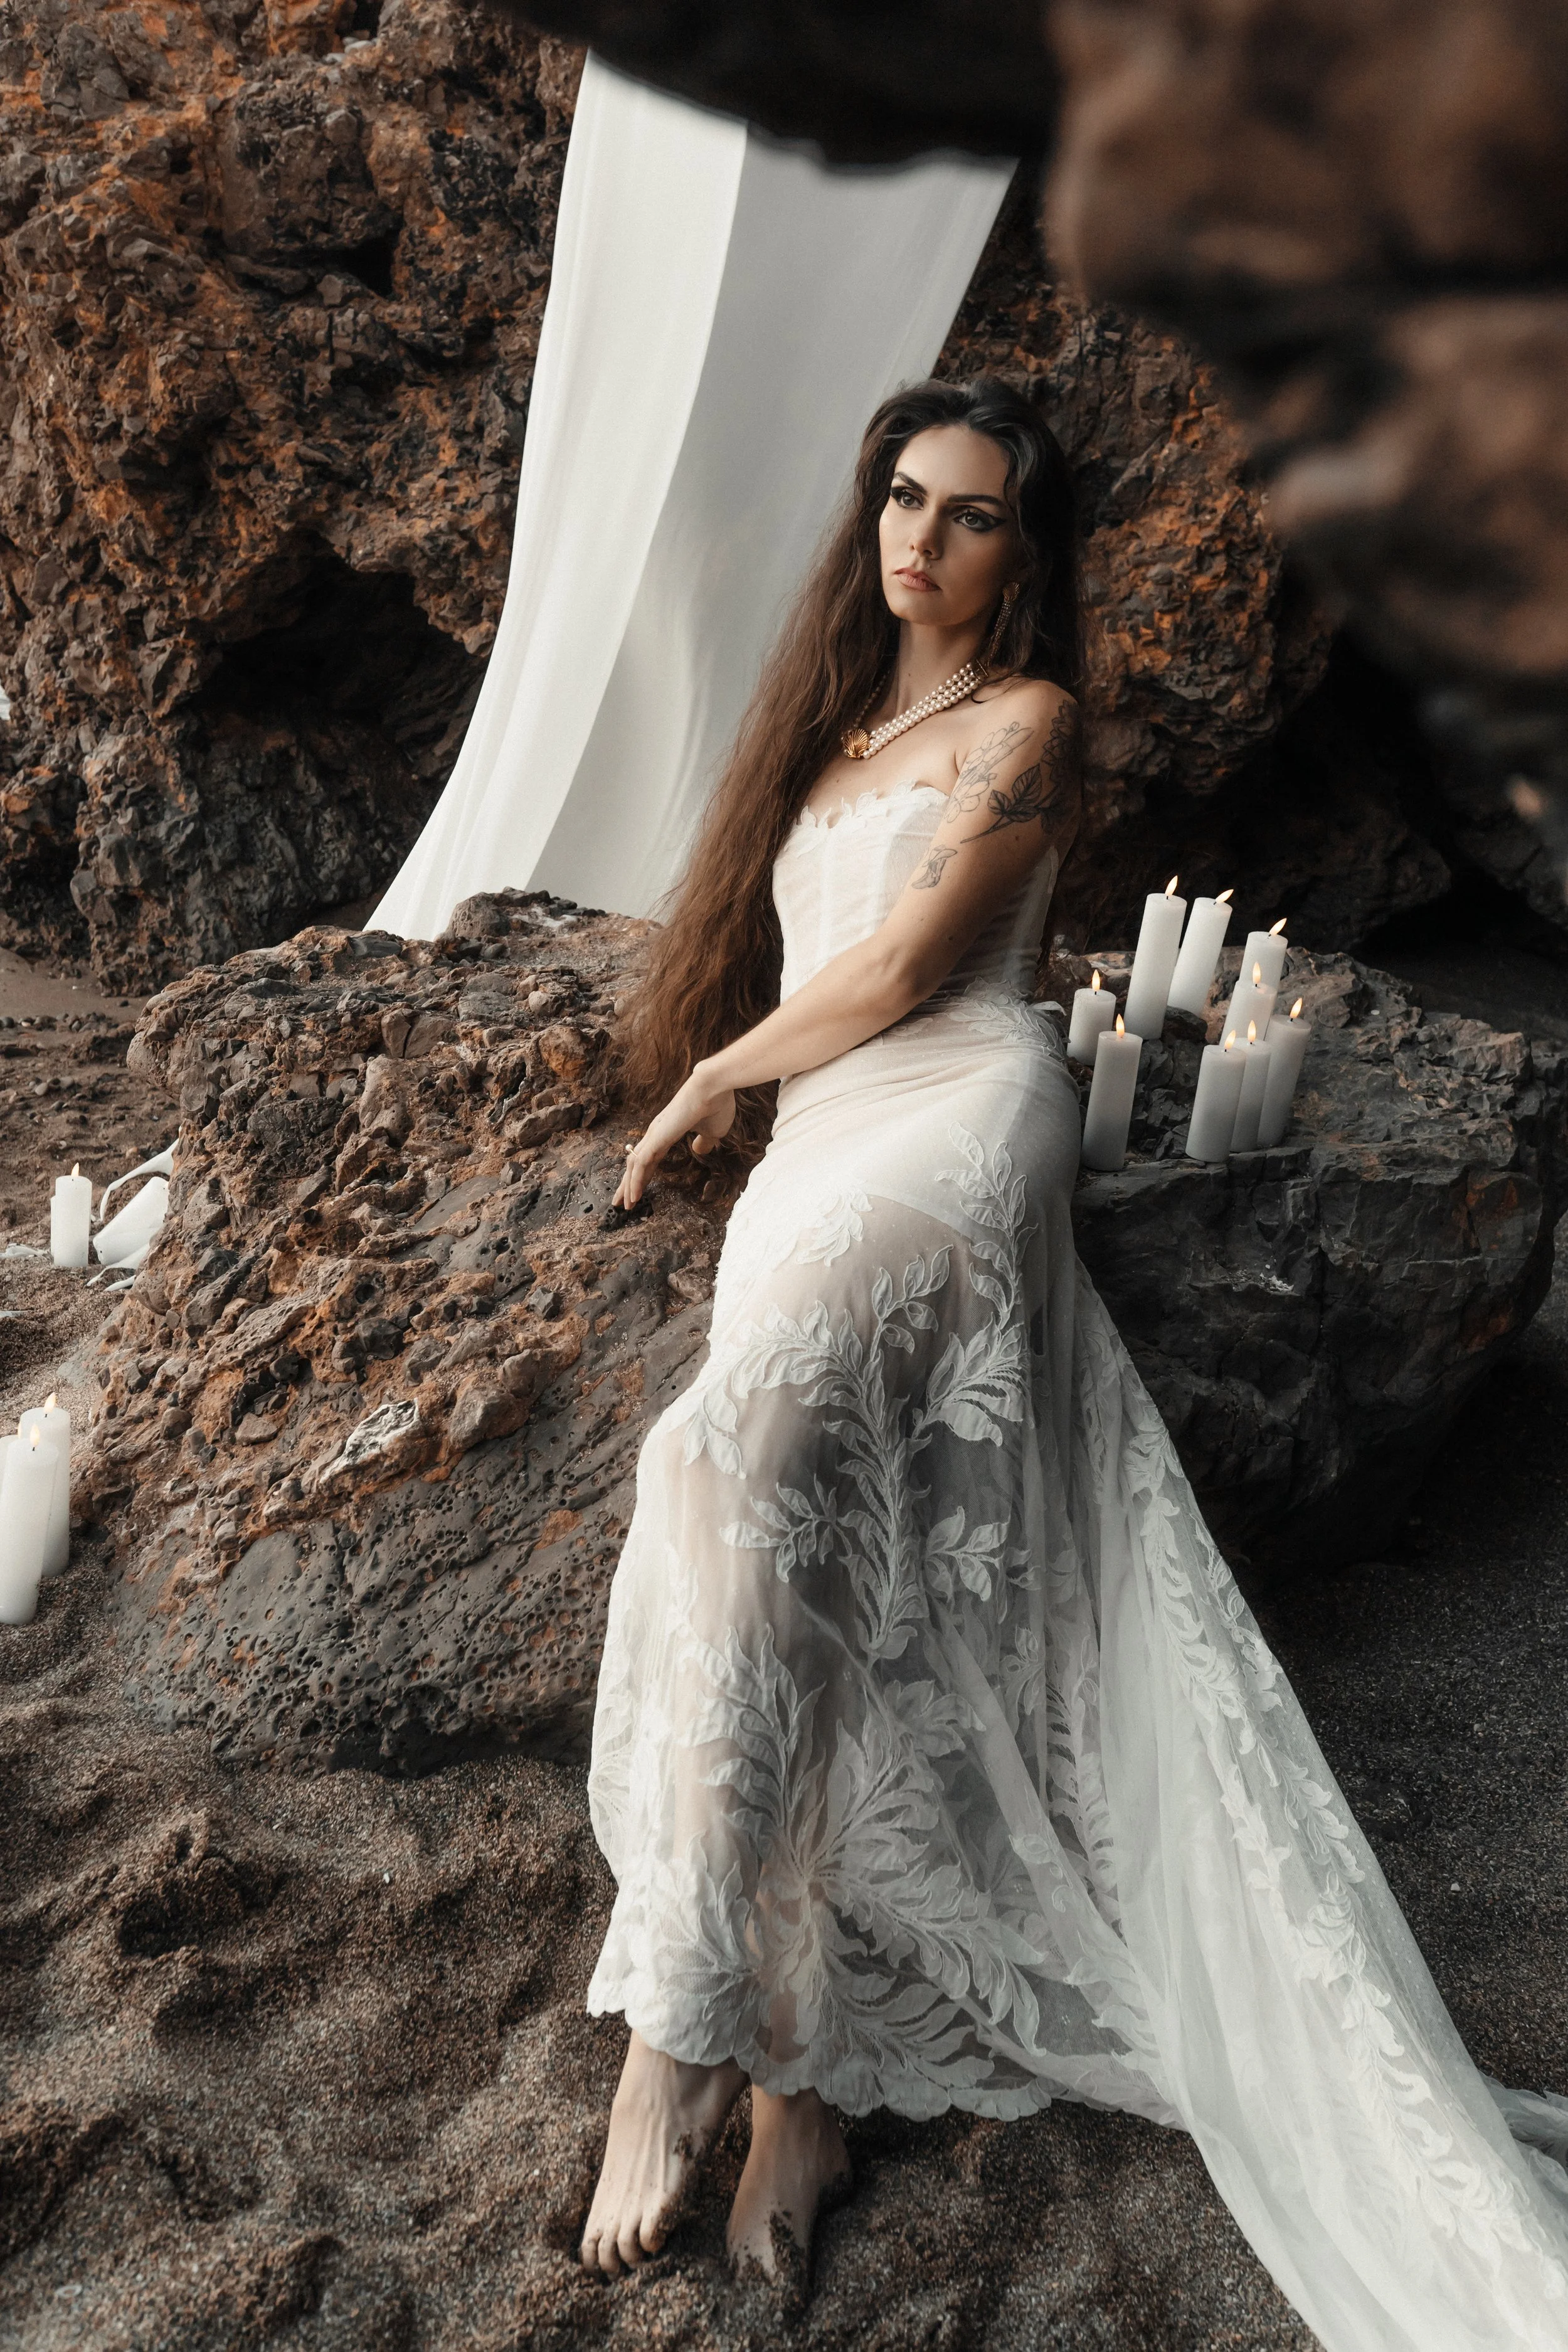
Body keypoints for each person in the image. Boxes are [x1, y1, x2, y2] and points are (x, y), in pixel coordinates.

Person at [577, 376, 1568, 2346]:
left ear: (1022, 558)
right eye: (901, 498)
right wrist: (747, 1103)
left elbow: (888, 978)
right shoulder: (837, 728)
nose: (918, 540)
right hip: (820, 1143)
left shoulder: (1023, 725)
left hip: (951, 1116)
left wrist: (701, 1077)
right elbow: (804, 979)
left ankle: (676, 2032)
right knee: (731, 1494)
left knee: (751, 1452)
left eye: (966, 517)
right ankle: (794, 2070)